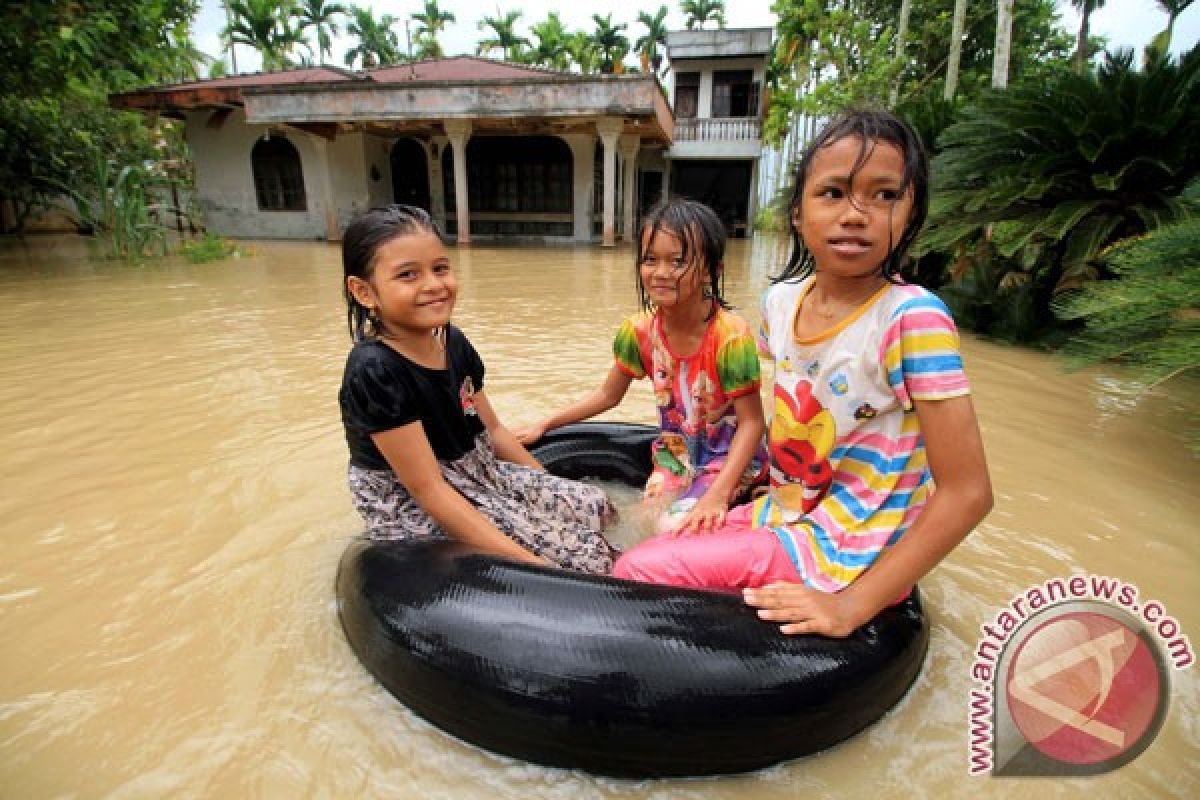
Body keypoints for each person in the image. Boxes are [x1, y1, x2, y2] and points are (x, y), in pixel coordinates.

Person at [613, 110, 994, 637]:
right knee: (663, 532)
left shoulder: (913, 321)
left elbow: (968, 492)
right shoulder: (781, 303)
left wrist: (851, 607)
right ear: (798, 212)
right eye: (833, 193)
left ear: (912, 214)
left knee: (633, 571)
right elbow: (803, 404)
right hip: (787, 511)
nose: (856, 213)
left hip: (848, 541)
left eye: (884, 195)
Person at [338, 204, 617, 574]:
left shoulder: (452, 341)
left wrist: (546, 486)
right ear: (364, 291)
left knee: (595, 505)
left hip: (476, 470)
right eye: (408, 275)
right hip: (415, 498)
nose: (434, 285)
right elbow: (429, 490)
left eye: (440, 268)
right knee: (586, 559)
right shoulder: (375, 370)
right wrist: (533, 567)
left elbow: (493, 429)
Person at [516, 198, 767, 534]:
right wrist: (545, 422)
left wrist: (718, 495)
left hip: (731, 460)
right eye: (650, 260)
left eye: (678, 261)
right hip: (674, 455)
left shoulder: (730, 337)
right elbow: (608, 394)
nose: (661, 273)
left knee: (672, 526)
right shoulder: (640, 332)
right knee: (640, 523)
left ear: (711, 270)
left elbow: (752, 424)